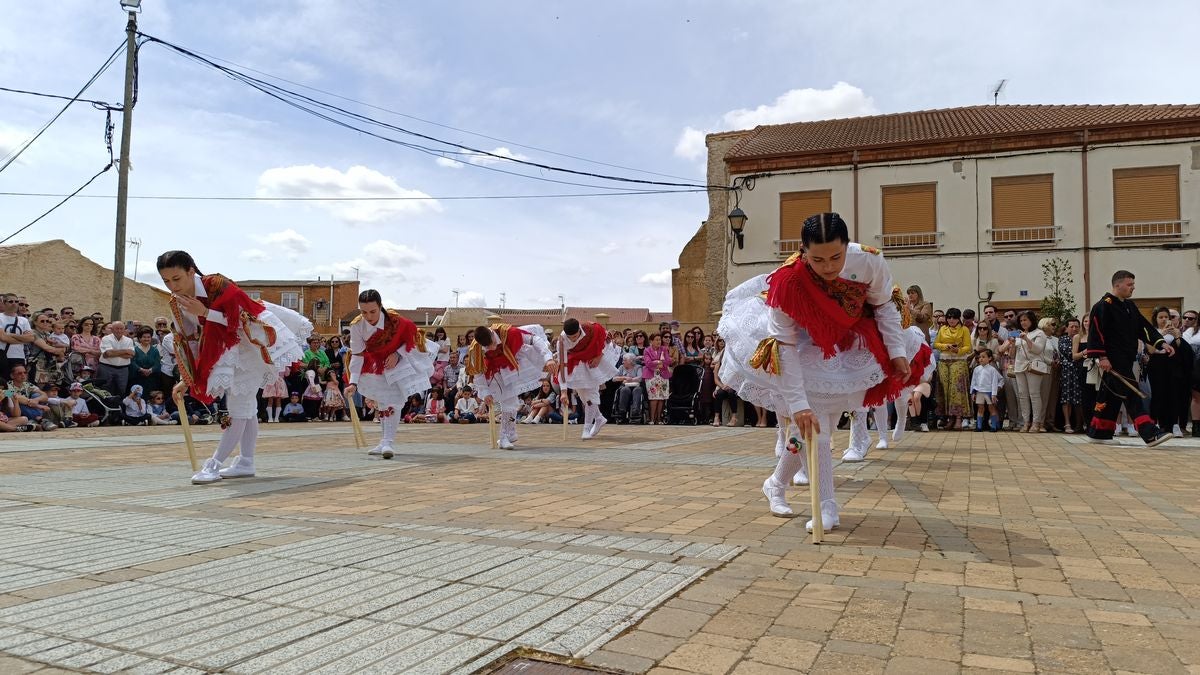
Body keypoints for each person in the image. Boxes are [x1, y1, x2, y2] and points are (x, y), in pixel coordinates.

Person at [718, 212, 918, 533]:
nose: (827, 267)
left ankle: (776, 482)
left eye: (836, 257)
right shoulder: (788, 283)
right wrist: (798, 404)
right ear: (802, 251)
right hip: (801, 345)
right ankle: (827, 506)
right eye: (818, 259)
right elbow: (784, 345)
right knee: (814, 425)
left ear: (847, 245)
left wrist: (895, 353)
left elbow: (883, 306)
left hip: (845, 339)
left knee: (812, 428)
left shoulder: (869, 261)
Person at [158, 250, 312, 484]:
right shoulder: (177, 304)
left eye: (176, 279)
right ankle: (246, 461)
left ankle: (214, 463)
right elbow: (189, 343)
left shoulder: (218, 284)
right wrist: (185, 377)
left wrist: (206, 313)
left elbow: (242, 318)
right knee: (246, 408)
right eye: (166, 281)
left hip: (250, 344)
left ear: (191, 271)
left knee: (239, 404)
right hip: (223, 351)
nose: (172, 286)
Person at [343, 289, 437, 458]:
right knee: (382, 401)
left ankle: (388, 442)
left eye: (373, 311)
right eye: (364, 312)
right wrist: (353, 382)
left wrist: (397, 353)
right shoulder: (357, 326)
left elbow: (412, 338)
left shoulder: (396, 321)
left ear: (380, 307)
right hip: (375, 363)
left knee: (394, 400)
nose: (369, 316)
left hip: (399, 360)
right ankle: (383, 441)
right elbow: (357, 354)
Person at [1084, 270, 1173, 446]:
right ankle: (1149, 433)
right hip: (1113, 359)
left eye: (1133, 284)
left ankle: (1099, 432)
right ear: (1118, 285)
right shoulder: (1103, 305)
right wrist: (1102, 357)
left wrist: (1161, 343)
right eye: (1130, 284)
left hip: (1126, 358)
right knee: (1132, 393)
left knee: (1110, 395)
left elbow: (1144, 327)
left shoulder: (1130, 306)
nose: (1133, 287)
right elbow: (1096, 332)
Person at [465, 322, 555, 449]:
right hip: (494, 372)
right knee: (508, 402)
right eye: (487, 346)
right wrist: (485, 393)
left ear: (492, 334)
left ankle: (509, 434)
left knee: (512, 403)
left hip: (514, 360)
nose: (492, 348)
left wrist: (548, 358)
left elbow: (535, 339)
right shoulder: (476, 349)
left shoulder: (509, 333)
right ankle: (504, 437)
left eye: (493, 343)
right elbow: (479, 373)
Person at [558, 318, 620, 439]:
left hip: (592, 361)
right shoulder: (561, 341)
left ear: (579, 330)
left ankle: (586, 428)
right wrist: (563, 392)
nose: (573, 339)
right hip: (576, 364)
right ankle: (599, 418)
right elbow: (562, 365)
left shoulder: (592, 328)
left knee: (591, 395)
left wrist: (598, 357)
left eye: (575, 336)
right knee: (584, 397)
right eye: (570, 337)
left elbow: (607, 342)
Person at [933, 308, 972, 430]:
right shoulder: (943, 329)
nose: (951, 320)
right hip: (944, 360)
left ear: (958, 318)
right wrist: (946, 346)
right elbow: (936, 344)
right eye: (949, 317)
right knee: (945, 389)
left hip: (959, 360)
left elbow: (968, 347)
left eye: (954, 317)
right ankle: (949, 417)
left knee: (957, 388)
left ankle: (959, 418)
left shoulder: (964, 329)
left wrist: (958, 350)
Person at [1011, 310, 1050, 433]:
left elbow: (1038, 350)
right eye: (1021, 320)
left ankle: (1036, 422)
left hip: (1033, 366)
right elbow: (1012, 355)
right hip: (1019, 366)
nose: (1023, 322)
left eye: (1025, 320)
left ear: (1031, 320)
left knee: (1034, 394)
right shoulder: (1018, 334)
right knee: (1022, 395)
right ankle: (1025, 422)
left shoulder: (1040, 333)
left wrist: (1026, 339)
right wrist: (1012, 344)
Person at [970, 348, 1004, 431]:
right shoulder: (976, 369)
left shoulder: (992, 370)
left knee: (991, 408)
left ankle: (994, 426)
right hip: (979, 392)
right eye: (979, 357)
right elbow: (973, 381)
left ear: (990, 358)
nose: (981, 359)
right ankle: (979, 426)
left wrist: (994, 394)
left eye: (983, 357)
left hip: (989, 392)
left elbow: (994, 382)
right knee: (980, 408)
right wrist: (973, 392)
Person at [642, 333, 672, 425]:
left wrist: (657, 363)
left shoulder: (664, 349)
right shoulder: (647, 350)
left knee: (661, 397)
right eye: (656, 340)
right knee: (654, 397)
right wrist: (658, 362)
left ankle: (659, 419)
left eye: (659, 339)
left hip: (663, 375)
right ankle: (652, 419)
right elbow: (647, 363)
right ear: (651, 341)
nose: (659, 341)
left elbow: (668, 361)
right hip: (652, 376)